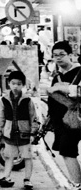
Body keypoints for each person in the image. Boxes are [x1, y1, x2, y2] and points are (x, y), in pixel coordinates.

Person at [0, 70, 38, 189]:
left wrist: (33, 132)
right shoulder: (4, 100)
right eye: (13, 83)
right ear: (9, 83)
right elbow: (0, 117)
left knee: (27, 157)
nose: (16, 86)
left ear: (23, 85)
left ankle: (27, 179)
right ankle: (6, 177)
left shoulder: (28, 100)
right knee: (9, 157)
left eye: (19, 84)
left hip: (25, 134)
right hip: (9, 134)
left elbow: (33, 117)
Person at [46, 40, 81, 189]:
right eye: (55, 55)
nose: (58, 58)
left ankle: (77, 183)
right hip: (61, 121)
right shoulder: (57, 75)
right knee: (66, 151)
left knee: (67, 150)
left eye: (62, 55)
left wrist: (61, 88)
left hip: (75, 118)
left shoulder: (79, 72)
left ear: (70, 55)